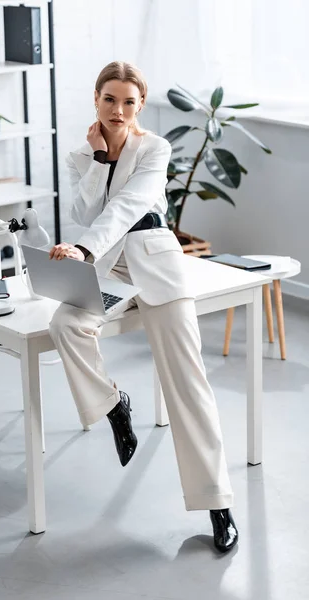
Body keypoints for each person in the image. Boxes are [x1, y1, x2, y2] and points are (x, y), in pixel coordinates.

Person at [48, 61, 238, 554]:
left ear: (139, 105)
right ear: (95, 98)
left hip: (154, 263)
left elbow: (128, 207)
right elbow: (84, 212)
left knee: (188, 382)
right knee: (66, 322)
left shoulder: (156, 148)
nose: (119, 110)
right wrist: (96, 159)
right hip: (109, 268)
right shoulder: (78, 154)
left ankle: (219, 505)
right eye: (110, 99)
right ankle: (114, 406)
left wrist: (83, 249)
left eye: (129, 101)